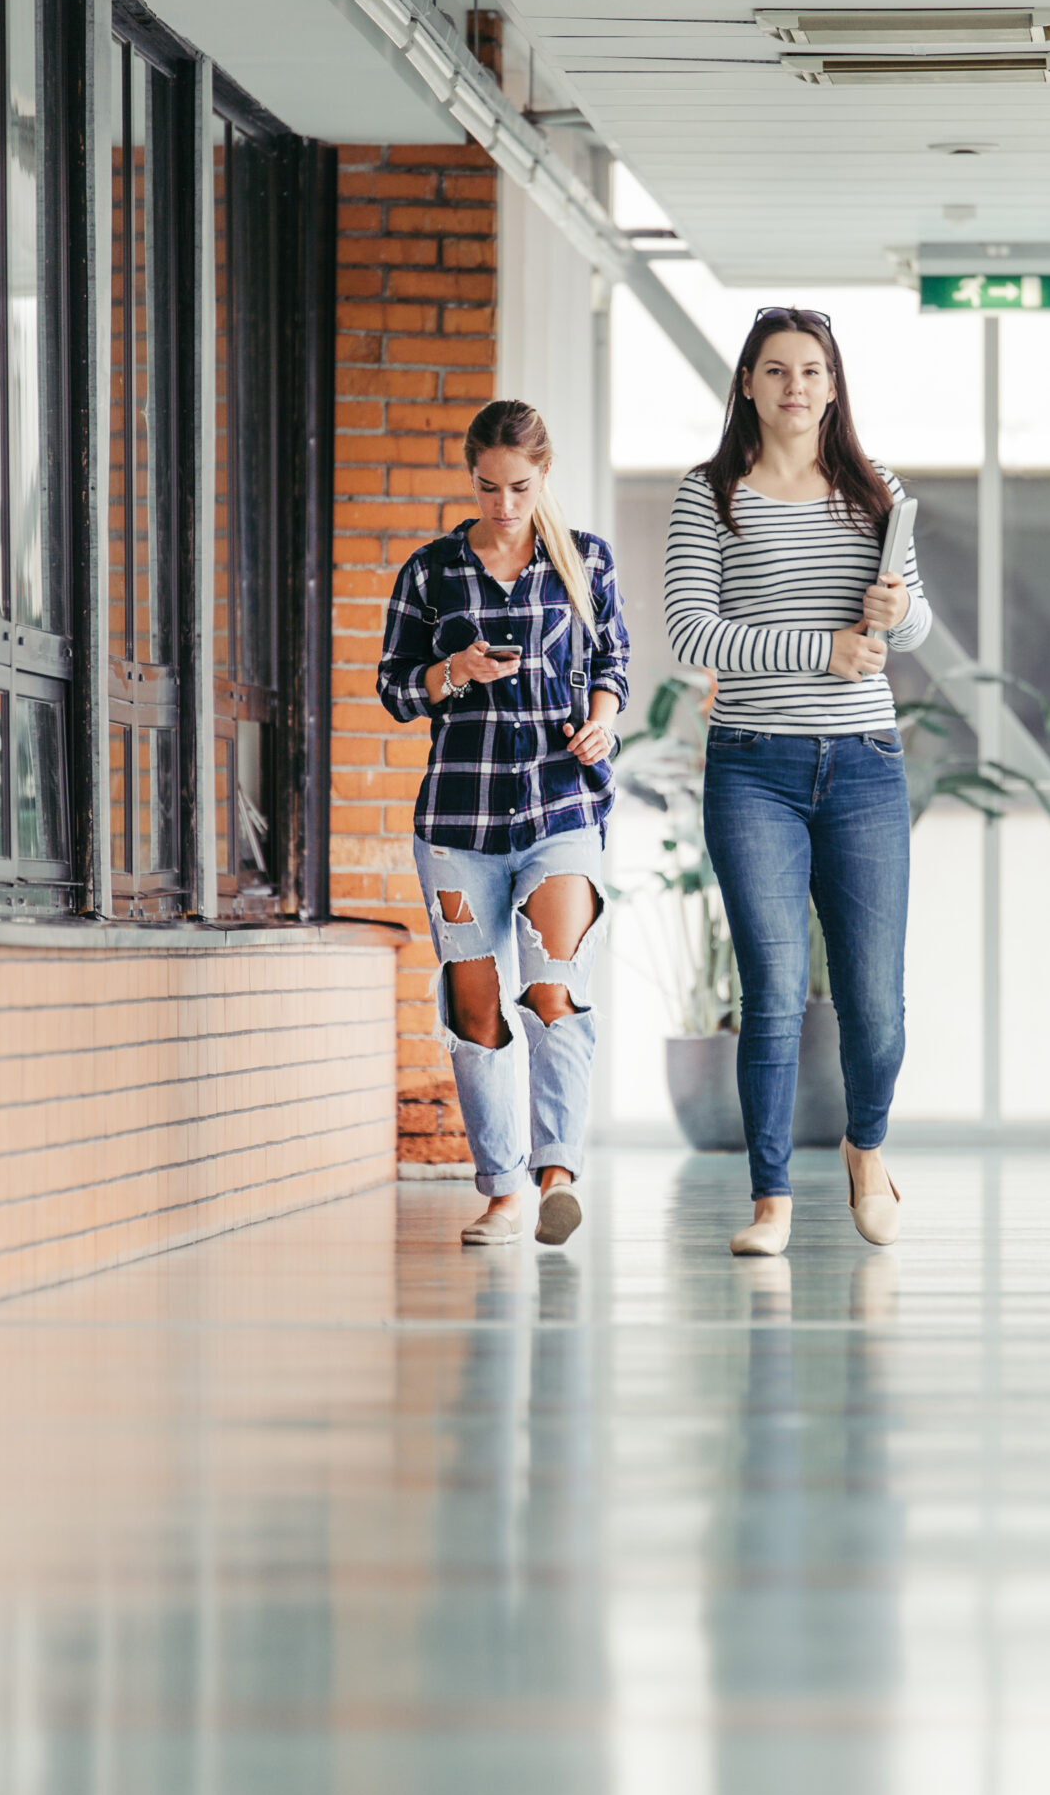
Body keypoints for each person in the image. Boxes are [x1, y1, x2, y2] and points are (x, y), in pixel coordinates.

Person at [664, 305, 932, 1257]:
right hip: (753, 769)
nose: (794, 387)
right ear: (747, 384)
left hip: (862, 767)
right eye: (775, 371)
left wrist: (896, 614)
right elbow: (693, 634)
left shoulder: (873, 491)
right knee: (773, 990)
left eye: (811, 371)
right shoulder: (709, 495)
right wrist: (822, 650)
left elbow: (914, 633)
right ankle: (770, 1200)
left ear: (832, 383)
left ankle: (866, 1148)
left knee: (874, 999)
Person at [376, 399, 628, 1248]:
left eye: (520, 487)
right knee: (476, 1004)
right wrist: (454, 669)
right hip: (458, 817)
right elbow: (395, 688)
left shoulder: (584, 560)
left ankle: (557, 1176)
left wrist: (602, 719)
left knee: (552, 990)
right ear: (471, 477)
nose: (504, 504)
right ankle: (503, 1190)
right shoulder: (432, 570)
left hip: (560, 803)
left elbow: (611, 664)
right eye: (488, 487)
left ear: (543, 475)